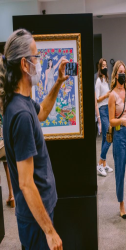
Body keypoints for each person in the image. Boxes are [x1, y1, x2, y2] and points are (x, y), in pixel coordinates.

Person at [0, 29, 68, 250]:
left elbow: (43, 113)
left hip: (39, 213)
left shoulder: (24, 102)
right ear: (24, 65)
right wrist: (49, 231)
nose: (39, 63)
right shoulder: (20, 115)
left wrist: (58, 82)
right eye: (36, 57)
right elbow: (26, 183)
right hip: (36, 221)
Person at [108, 60, 126, 219]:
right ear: (116, 75)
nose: (122, 74)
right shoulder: (112, 95)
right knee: (120, 171)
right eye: (120, 72)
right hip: (119, 134)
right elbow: (111, 120)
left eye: (124, 72)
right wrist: (122, 121)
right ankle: (121, 204)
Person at [95, 58, 113, 176]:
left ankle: (103, 164)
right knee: (109, 136)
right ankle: (100, 162)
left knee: (105, 139)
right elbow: (96, 99)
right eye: (103, 66)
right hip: (102, 110)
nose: (105, 67)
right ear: (100, 67)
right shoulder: (98, 81)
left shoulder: (106, 80)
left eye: (106, 65)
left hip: (108, 108)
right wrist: (106, 95)